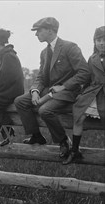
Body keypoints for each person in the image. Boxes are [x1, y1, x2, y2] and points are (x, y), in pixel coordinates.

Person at [14, 17, 90, 158]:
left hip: (68, 92)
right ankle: (36, 136)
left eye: (39, 31)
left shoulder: (70, 47)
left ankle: (63, 141)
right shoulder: (44, 52)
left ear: (50, 30)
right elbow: (41, 77)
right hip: (49, 90)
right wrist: (35, 91)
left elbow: (84, 72)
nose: (36, 34)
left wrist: (64, 86)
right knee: (20, 101)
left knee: (45, 110)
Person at [63, 26, 105, 165]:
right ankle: (75, 150)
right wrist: (81, 92)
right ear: (94, 42)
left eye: (104, 40)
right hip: (94, 92)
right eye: (98, 40)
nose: (101, 43)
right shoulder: (92, 58)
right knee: (79, 117)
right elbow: (87, 79)